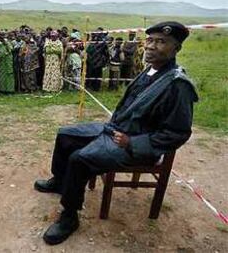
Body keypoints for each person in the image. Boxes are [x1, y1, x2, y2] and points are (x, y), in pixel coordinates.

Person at [34, 21, 198, 245]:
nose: (151, 46)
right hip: (116, 130)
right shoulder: (151, 70)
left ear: (176, 49)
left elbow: (178, 133)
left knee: (79, 159)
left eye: (161, 42)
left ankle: (69, 217)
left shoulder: (178, 85)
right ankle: (60, 181)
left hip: (133, 145)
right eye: (150, 40)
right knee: (66, 135)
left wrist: (134, 142)